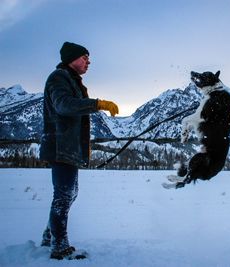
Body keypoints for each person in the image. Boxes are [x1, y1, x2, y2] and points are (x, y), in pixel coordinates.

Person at [39, 41, 119, 260]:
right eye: (84, 57)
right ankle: (59, 247)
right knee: (63, 196)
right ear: (71, 59)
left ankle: (49, 236)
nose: (88, 62)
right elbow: (63, 105)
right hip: (60, 146)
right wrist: (97, 104)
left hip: (68, 147)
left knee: (69, 195)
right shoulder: (59, 78)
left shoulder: (71, 80)